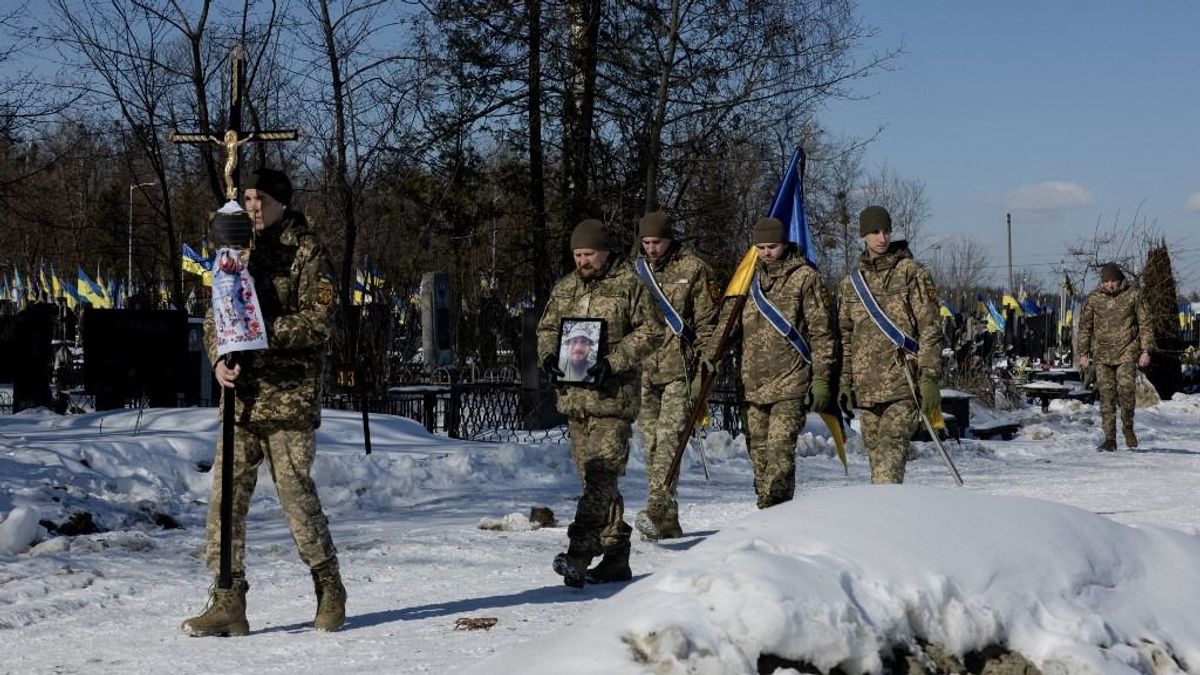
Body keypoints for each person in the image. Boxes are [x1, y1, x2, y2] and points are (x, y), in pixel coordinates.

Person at [183, 168, 346, 636]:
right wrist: (219, 357)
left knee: (296, 497)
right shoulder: (235, 248)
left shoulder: (307, 250)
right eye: (248, 198)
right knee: (225, 502)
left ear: (281, 202)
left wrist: (256, 333)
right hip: (242, 397)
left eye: (261, 199)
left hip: (288, 398)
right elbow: (217, 310)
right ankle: (228, 599)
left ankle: (329, 584)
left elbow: (319, 323)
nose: (252, 207)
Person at [537, 218, 662, 587]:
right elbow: (546, 329)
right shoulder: (566, 289)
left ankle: (579, 552)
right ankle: (617, 557)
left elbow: (651, 330)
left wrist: (614, 361)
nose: (582, 261)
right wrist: (549, 357)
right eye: (577, 254)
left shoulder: (628, 286)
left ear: (605, 252)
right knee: (597, 485)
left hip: (611, 400)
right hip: (575, 402)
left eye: (588, 253)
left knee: (600, 479)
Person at [716, 217, 835, 509]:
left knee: (780, 455)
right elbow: (726, 327)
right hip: (752, 385)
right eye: (761, 247)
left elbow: (822, 333)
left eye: (772, 246)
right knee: (760, 458)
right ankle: (769, 517)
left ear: (784, 244)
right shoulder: (747, 281)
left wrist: (821, 377)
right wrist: (711, 357)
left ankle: (775, 514)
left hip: (790, 383)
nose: (766, 253)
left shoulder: (806, 278)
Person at [837, 206, 943, 484]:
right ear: (863, 236)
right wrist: (845, 381)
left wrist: (929, 378)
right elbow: (846, 337)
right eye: (874, 232)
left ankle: (886, 521)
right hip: (867, 390)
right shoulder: (851, 284)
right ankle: (888, 522)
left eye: (885, 231)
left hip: (903, 385)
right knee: (877, 467)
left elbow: (930, 328)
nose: (882, 238)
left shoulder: (911, 272)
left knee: (889, 465)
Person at [631, 210, 719, 540]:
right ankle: (669, 519)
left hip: (680, 370)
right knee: (651, 443)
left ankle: (655, 507)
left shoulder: (694, 269)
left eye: (657, 242)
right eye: (646, 242)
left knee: (670, 440)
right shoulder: (635, 273)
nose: (651, 249)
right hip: (644, 371)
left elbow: (709, 323)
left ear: (670, 239)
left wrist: (705, 365)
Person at [1076, 262, 1154, 451]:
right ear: (1102, 282)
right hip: (1102, 355)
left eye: (1114, 281)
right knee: (1106, 397)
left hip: (1126, 351)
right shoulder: (1094, 299)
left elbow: (1145, 323)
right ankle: (1110, 439)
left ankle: (1128, 427)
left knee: (1126, 391)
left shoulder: (1133, 295)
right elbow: (1085, 327)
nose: (1110, 285)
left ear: (1120, 281)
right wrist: (1083, 353)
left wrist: (1146, 350)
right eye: (1107, 281)